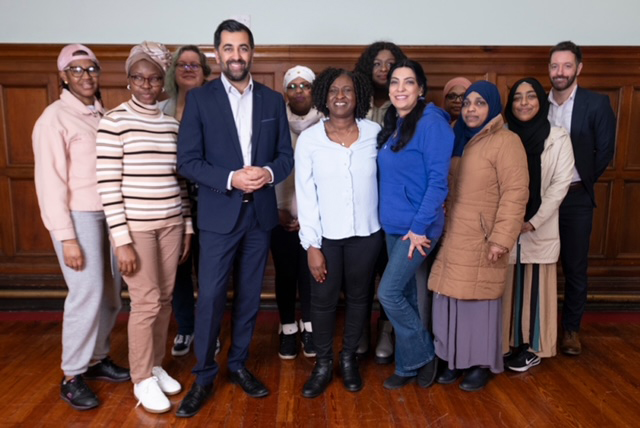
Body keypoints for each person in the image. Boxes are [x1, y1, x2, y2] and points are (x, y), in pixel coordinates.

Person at [176, 20, 293, 418]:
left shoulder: (273, 101)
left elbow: (285, 157)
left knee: (249, 296)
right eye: (228, 49)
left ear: (252, 53)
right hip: (218, 215)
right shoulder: (200, 100)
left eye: (243, 48)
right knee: (209, 297)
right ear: (217, 55)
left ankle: (239, 363)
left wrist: (268, 173)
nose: (236, 56)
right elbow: (188, 162)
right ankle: (204, 374)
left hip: (259, 215)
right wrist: (230, 178)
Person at [96, 41, 193, 414]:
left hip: (170, 223)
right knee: (146, 301)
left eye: (154, 78)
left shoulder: (170, 124)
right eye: (139, 77)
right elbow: (107, 185)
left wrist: (186, 224)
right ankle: (140, 380)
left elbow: (180, 180)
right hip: (135, 227)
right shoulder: (114, 121)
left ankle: (154, 366)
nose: (147, 85)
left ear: (162, 81)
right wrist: (120, 241)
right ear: (129, 80)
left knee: (164, 300)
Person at [32, 44, 130, 411]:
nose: (85, 76)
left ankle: (96, 359)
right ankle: (72, 374)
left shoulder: (101, 114)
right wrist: (67, 237)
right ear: (63, 76)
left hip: (111, 216)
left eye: (91, 70)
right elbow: (50, 182)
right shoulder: (53, 118)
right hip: (79, 218)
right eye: (77, 70)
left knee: (110, 295)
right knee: (86, 294)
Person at [429, 81, 529, 392]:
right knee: (450, 298)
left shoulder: (506, 141)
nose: (471, 109)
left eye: (480, 103)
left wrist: (502, 238)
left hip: (484, 238)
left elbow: (516, 194)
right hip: (452, 232)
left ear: (493, 108)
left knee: (479, 302)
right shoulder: (457, 137)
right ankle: (452, 359)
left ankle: (480, 364)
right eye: (468, 102)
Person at [296, 67, 383, 398]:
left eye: (347, 90)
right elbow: (306, 196)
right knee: (322, 300)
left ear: (357, 95)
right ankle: (322, 363)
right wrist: (311, 245)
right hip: (326, 239)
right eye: (333, 91)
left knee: (361, 298)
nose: (341, 96)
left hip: (367, 235)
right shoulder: (310, 140)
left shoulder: (375, 133)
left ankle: (348, 359)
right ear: (324, 97)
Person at [376, 59, 453, 390]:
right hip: (393, 225)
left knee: (388, 293)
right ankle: (408, 364)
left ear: (421, 89)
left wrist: (420, 227)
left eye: (409, 82)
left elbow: (438, 182)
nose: (400, 88)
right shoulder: (396, 123)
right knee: (405, 294)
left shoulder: (432, 123)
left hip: (417, 229)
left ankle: (425, 354)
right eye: (395, 82)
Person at [547, 41, 616, 355]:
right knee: (540, 265)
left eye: (566, 66)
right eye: (555, 66)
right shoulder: (536, 102)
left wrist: (577, 182)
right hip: (541, 201)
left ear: (578, 68)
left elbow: (604, 152)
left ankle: (571, 331)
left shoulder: (596, 103)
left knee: (574, 268)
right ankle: (539, 330)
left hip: (576, 199)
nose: (560, 72)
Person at [501, 77, 574, 371]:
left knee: (534, 289)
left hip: (539, 225)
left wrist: (533, 221)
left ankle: (533, 348)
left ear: (540, 101)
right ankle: (505, 344)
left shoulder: (558, 137)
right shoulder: (503, 134)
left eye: (530, 96)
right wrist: (509, 219)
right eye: (517, 97)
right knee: (507, 287)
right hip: (507, 225)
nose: (523, 103)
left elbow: (560, 184)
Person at [353, 41, 407, 363]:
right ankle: (359, 328)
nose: (384, 69)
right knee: (361, 270)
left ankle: (386, 328)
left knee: (388, 270)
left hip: (392, 200)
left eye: (390, 63)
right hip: (358, 199)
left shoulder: (404, 105)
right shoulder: (355, 100)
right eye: (377, 63)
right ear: (367, 67)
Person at [161, 45, 214, 358]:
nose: (189, 69)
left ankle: (210, 329)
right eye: (183, 64)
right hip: (170, 200)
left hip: (209, 198)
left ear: (206, 73)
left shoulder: (216, 108)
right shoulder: (161, 110)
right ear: (173, 71)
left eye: (196, 65)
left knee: (209, 270)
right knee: (178, 267)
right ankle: (186, 327)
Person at [273, 65, 323, 360]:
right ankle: (288, 327)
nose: (299, 91)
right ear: (285, 92)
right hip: (278, 214)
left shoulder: (326, 124)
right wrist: (278, 209)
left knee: (310, 273)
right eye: (293, 86)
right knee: (285, 272)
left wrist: (308, 215)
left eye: (305, 85)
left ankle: (310, 327)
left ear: (314, 90)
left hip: (314, 217)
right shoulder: (274, 123)